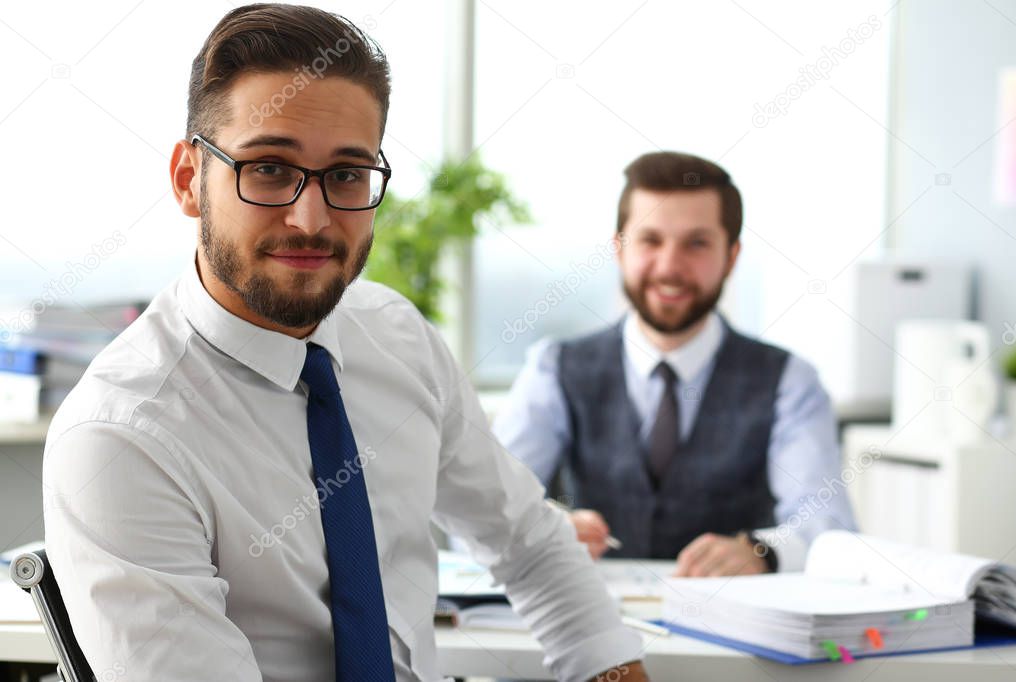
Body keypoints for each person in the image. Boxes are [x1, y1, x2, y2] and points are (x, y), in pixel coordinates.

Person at [41, 5, 649, 681]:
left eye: (346, 175)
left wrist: (613, 671)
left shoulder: (396, 336)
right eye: (269, 168)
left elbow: (531, 544)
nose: (310, 219)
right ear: (189, 179)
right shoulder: (120, 436)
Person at [494, 151, 856, 577]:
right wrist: (539, 530)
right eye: (650, 240)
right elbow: (484, 506)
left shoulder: (790, 382)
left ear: (732, 256)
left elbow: (830, 529)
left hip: (733, 629)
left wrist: (761, 551)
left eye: (696, 243)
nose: (669, 267)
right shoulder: (554, 367)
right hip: (586, 624)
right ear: (619, 249)